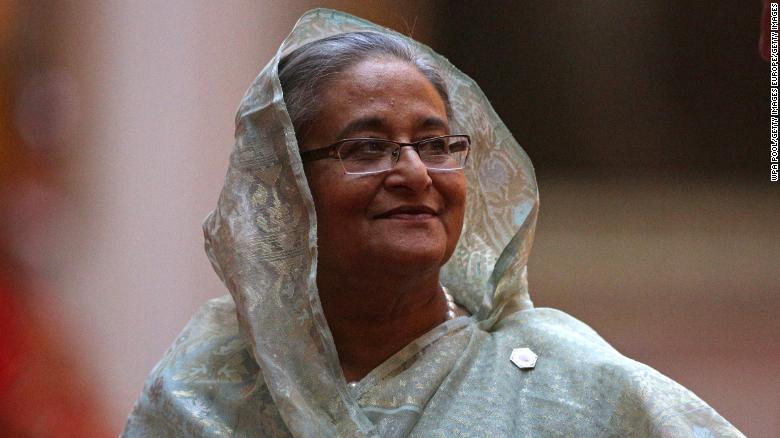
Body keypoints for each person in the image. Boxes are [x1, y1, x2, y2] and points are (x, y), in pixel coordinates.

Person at [123, 9, 744, 437]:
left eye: (437, 144)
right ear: (286, 190)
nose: (416, 174)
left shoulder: (570, 388)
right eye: (366, 148)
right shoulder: (206, 393)